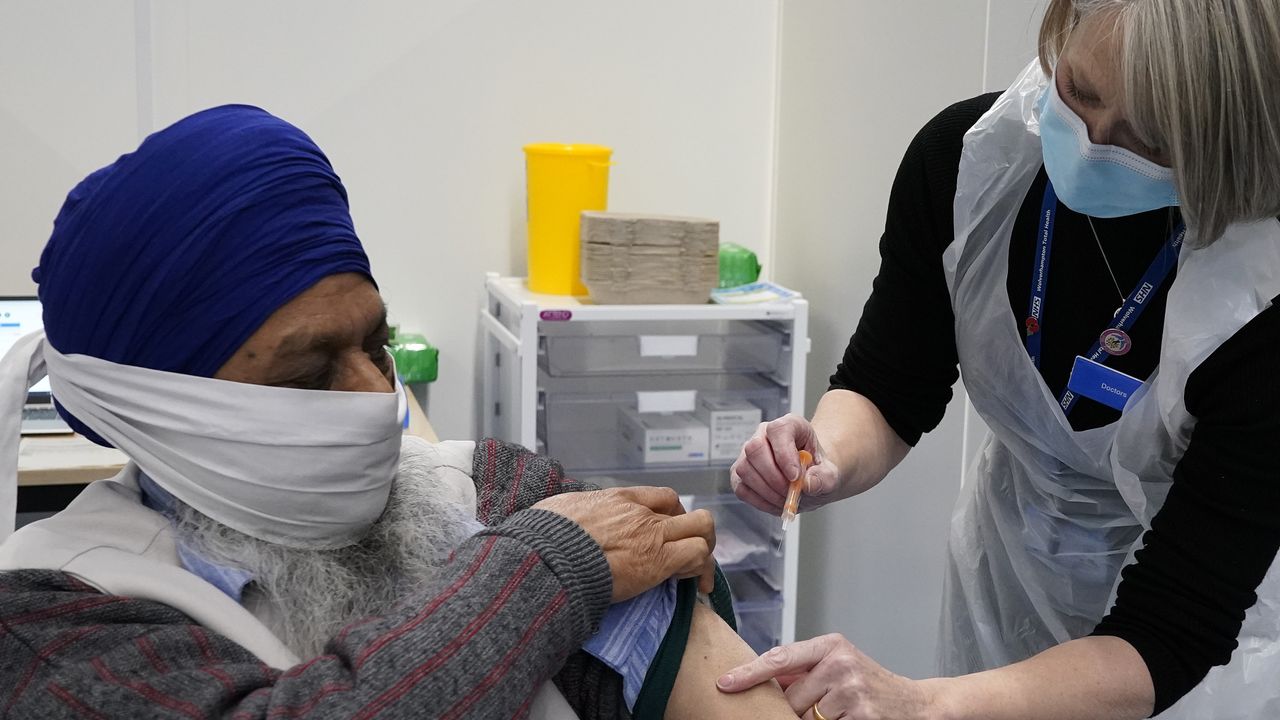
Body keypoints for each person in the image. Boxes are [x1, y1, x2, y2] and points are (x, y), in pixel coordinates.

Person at [0, 105, 796, 719]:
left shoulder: (485, 486)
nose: (375, 401)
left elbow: (708, 674)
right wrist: (544, 576)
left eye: (375, 347)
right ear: (163, 407)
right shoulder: (50, 615)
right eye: (308, 374)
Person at [719, 1, 1280, 718]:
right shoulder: (967, 162)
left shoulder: (1261, 297)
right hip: (1006, 573)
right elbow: (889, 385)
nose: (1094, 143)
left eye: (1150, 137)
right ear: (1062, 30)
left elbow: (1170, 627)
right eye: (1080, 92)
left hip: (1188, 654)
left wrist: (922, 705)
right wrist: (824, 452)